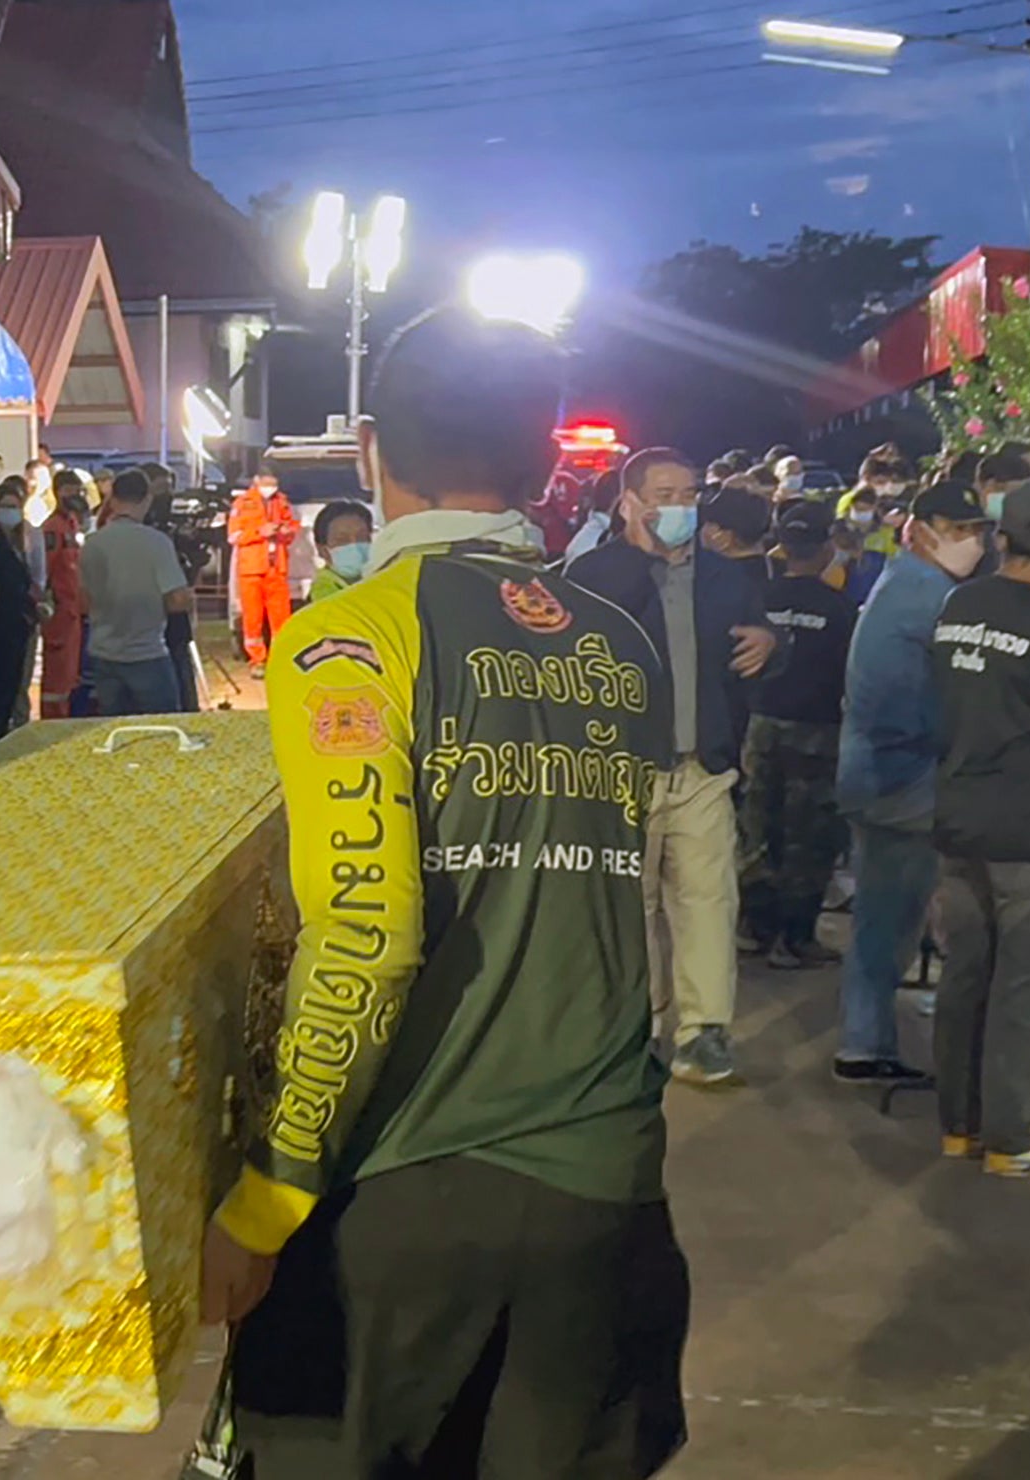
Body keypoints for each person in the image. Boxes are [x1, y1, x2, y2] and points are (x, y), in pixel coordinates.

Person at [205, 308, 687, 1479]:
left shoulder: (348, 640)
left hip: (410, 1191)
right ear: (547, 464)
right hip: (603, 1181)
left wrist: (264, 1200)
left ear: (370, 450)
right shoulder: (618, 644)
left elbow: (366, 935)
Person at [569, 448, 778, 1087]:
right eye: (664, 494)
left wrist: (773, 643)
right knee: (627, 910)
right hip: (622, 775)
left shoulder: (728, 578)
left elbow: (758, 643)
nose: (680, 507)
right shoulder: (591, 574)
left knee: (708, 899)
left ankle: (703, 1031)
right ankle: (637, 1027)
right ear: (630, 501)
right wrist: (643, 554)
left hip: (701, 770)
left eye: (689, 494)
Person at [835, 480, 994, 1087]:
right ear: (923, 529)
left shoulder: (903, 583)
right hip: (902, 782)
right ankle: (866, 1044)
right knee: (894, 919)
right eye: (961, 531)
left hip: (878, 776)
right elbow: (915, 707)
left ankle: (863, 1040)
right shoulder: (929, 597)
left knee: (883, 919)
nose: (972, 542)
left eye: (977, 531)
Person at [933, 480, 1030, 1173]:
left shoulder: (960, 603)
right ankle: (1014, 1137)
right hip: (1025, 825)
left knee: (966, 972)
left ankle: (959, 1126)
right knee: (1022, 984)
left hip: (957, 813)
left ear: (1002, 536)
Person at [738, 501, 855, 969]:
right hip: (818, 733)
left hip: (760, 724)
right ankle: (796, 937)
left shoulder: (759, 597)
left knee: (757, 825)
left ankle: (754, 925)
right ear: (828, 545)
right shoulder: (840, 608)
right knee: (809, 834)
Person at [79, 468, 189, 716]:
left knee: (112, 729)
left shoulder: (92, 543)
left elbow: (83, 602)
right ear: (147, 500)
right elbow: (177, 600)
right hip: (148, 653)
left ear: (113, 500)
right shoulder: (157, 542)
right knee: (162, 727)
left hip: (104, 654)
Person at [0, 477, 40, 743]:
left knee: (18, 684)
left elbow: (37, 577)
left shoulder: (27, 536)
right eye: (5, 506)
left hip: (19, 624)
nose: (10, 512)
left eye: (15, 506)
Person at [228, 469, 299, 677]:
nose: (271, 487)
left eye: (274, 483)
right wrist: (260, 532)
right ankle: (257, 660)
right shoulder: (242, 503)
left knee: (282, 619)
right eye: (267, 482)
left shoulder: (282, 502)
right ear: (257, 480)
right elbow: (234, 536)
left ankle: (281, 658)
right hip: (251, 569)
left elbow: (293, 526)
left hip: (276, 567)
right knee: (253, 618)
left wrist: (287, 532)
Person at [145, 464, 203, 713]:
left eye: (169, 489)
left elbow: (186, 573)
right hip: (149, 615)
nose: (165, 496)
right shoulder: (144, 531)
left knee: (181, 667)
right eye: (160, 489)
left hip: (176, 617)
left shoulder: (172, 527)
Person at [38, 469, 87, 719]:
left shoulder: (72, 524)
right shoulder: (52, 528)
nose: (76, 495)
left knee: (71, 675)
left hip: (73, 611)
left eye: (78, 490)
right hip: (60, 613)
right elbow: (44, 571)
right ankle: (53, 720)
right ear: (58, 492)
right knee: (58, 677)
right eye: (70, 490)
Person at [307, 500, 374, 602]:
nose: (354, 546)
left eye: (362, 537)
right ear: (323, 550)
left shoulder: (381, 581)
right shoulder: (323, 595)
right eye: (342, 540)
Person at [699, 482, 773, 564]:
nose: (703, 529)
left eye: (710, 523)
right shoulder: (780, 570)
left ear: (724, 538)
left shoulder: (713, 574)